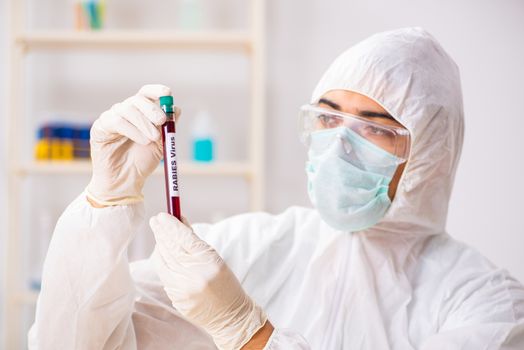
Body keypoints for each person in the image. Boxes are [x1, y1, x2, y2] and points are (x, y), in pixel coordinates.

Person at [29, 27, 524, 349]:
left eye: (373, 127)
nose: (338, 146)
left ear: (430, 155)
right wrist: (105, 203)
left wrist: (251, 335)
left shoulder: (487, 304)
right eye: (328, 117)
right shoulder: (249, 246)